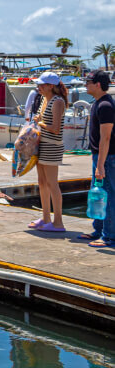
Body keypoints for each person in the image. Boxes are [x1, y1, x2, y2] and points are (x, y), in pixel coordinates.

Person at [79, 69, 115, 247]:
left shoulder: (105, 105)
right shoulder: (97, 103)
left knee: (108, 196)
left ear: (98, 84)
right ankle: (99, 230)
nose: (86, 85)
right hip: (100, 157)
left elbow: (106, 138)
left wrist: (100, 165)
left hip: (107, 158)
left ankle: (110, 236)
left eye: (88, 82)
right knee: (98, 195)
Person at [30, 72, 68, 232]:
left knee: (52, 183)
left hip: (52, 146)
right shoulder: (44, 99)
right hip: (42, 145)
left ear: (50, 86)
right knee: (42, 182)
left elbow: (56, 128)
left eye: (41, 85)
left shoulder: (57, 102)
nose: (38, 87)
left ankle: (58, 222)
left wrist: (40, 123)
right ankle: (46, 218)